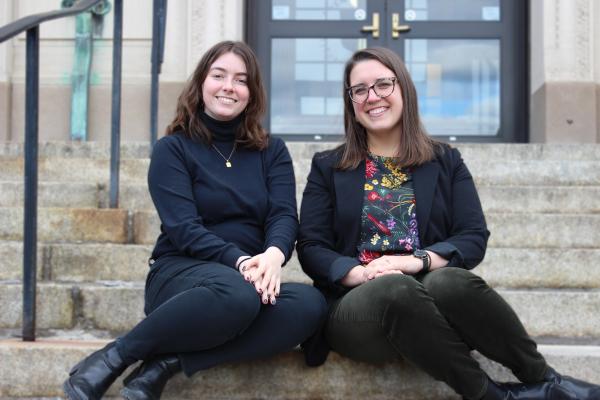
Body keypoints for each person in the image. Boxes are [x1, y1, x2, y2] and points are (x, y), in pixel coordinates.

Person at [296, 47, 600, 400]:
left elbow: (473, 237)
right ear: (350, 101)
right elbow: (312, 247)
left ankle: (546, 381)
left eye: (383, 84)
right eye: (359, 90)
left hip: (434, 308)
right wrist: (365, 274)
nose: (372, 97)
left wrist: (416, 261)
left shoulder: (445, 160)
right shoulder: (328, 166)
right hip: (360, 310)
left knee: (452, 282)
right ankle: (491, 396)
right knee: (397, 288)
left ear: (404, 89)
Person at [63, 40, 327, 400]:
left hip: (247, 277)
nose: (228, 87)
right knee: (238, 295)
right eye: (219, 75)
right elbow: (183, 229)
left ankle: (166, 365)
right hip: (182, 275)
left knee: (310, 305)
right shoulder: (173, 149)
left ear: (252, 92)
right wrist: (241, 260)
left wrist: (273, 256)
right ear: (201, 83)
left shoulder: (271, 151)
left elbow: (283, 214)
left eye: (240, 80)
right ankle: (115, 356)